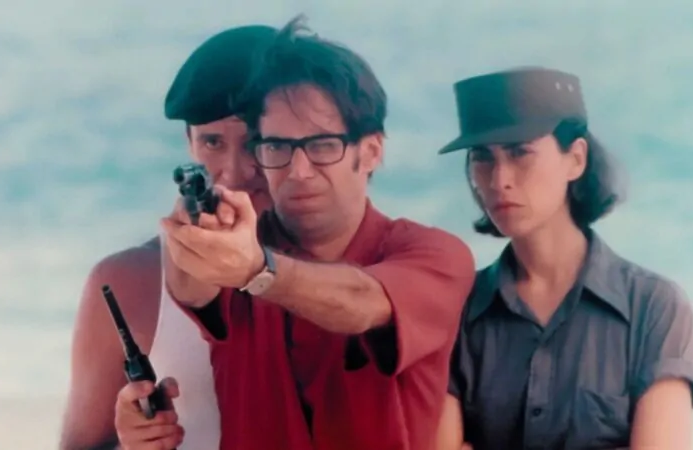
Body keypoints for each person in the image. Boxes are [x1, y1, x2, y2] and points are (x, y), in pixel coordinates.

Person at [158, 16, 477, 450]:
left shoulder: (435, 254)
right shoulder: (239, 249)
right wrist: (195, 229)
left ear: (371, 151)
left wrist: (258, 271)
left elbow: (362, 302)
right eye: (278, 147)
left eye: (323, 145)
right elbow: (191, 286)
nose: (299, 171)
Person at [434, 67, 693, 450]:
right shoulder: (455, 309)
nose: (498, 179)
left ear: (576, 158)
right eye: (482, 157)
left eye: (520, 152)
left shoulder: (653, 306)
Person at [58, 24, 277, 450]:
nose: (234, 173)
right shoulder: (130, 281)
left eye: (257, 143)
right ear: (189, 144)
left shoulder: (349, 269)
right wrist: (132, 444)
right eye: (212, 142)